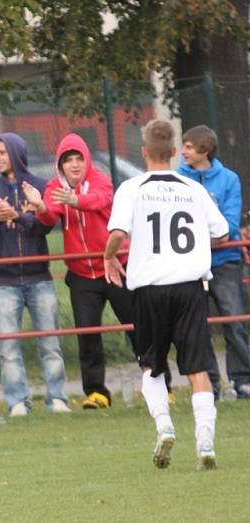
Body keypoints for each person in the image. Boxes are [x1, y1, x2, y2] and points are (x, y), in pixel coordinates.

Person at [104, 119, 227, 471]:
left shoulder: (132, 188)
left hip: (149, 290)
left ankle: (165, 426)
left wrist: (108, 255)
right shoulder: (194, 189)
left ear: (143, 152)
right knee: (199, 367)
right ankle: (205, 442)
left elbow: (117, 233)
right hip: (190, 288)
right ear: (174, 152)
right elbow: (219, 231)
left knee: (151, 365)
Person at [22, 134, 134, 409]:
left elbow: (98, 200)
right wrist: (40, 206)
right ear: (60, 165)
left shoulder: (101, 179)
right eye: (67, 160)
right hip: (82, 273)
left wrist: (76, 199)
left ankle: (159, 381)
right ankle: (96, 393)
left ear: (87, 160)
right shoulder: (54, 186)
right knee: (87, 333)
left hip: (116, 265)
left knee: (136, 325)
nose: (73, 165)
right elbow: (49, 215)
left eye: (78, 158)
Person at [0, 133, 70, 417]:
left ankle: (58, 398)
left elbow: (46, 225)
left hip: (39, 278)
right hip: (4, 282)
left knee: (50, 342)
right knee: (8, 348)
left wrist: (18, 215)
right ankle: (17, 401)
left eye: (3, 152)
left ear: (17, 153)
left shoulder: (40, 185)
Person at [178, 125, 250, 399]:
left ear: (204, 150)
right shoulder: (177, 179)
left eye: (188, 146)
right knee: (197, 326)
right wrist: (202, 242)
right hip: (189, 265)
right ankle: (210, 385)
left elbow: (230, 226)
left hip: (225, 263)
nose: (183, 151)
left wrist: (200, 240)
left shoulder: (229, 179)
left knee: (234, 322)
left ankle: (243, 380)